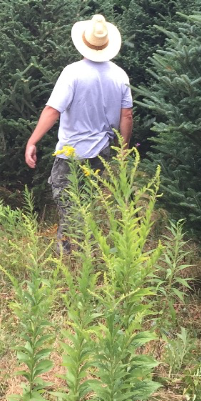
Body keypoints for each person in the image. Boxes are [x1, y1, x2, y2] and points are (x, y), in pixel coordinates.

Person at [24, 13, 133, 250]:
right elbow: (127, 115)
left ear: (83, 43)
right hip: (102, 151)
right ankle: (84, 252)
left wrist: (32, 141)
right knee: (87, 200)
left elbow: (53, 110)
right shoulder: (120, 75)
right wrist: (123, 148)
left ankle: (70, 256)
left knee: (68, 203)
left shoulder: (72, 72)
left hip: (72, 153)